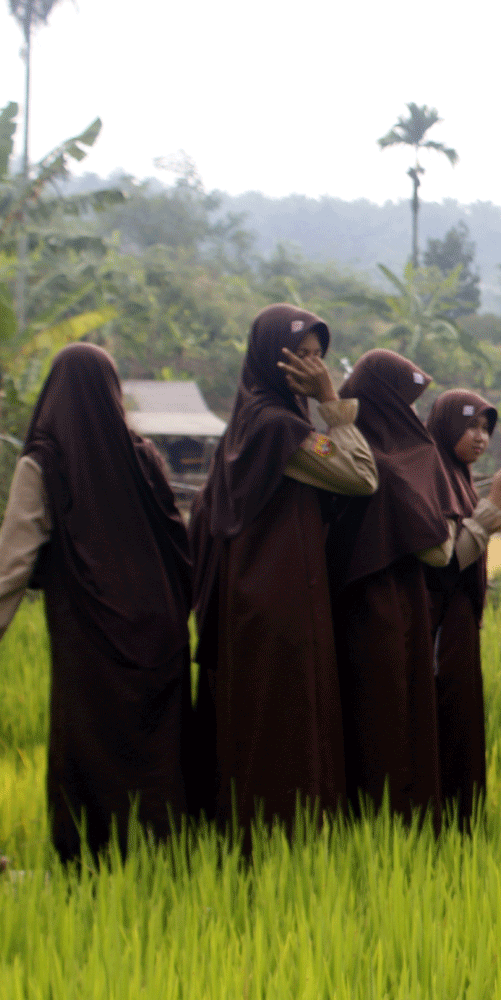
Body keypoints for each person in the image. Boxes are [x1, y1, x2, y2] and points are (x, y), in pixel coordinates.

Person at [186, 304, 378, 830]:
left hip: (262, 593)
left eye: (321, 357)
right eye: (303, 355)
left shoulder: (251, 421)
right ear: (274, 359)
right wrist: (332, 402)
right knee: (283, 709)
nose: (316, 367)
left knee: (266, 708)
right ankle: (277, 831)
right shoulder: (277, 429)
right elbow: (361, 476)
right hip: (278, 597)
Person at [0, 344, 193, 863]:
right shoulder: (144, 455)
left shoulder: (44, 461)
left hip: (92, 636)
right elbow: (180, 545)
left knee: (89, 749)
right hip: (161, 631)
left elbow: (12, 564)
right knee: (155, 753)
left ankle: (90, 864)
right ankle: (160, 859)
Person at [324, 349, 457, 820]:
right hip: (392, 605)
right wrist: (456, 520)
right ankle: (393, 818)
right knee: (392, 712)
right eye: (407, 400)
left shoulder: (341, 444)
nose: (413, 412)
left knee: (353, 712)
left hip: (337, 602)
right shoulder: (405, 459)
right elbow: (438, 551)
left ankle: (356, 817)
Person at [424, 390, 501, 827]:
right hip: (440, 624)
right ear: (446, 426)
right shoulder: (433, 474)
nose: (480, 437)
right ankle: (442, 816)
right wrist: (497, 501)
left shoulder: (458, 476)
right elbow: (450, 559)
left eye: (486, 429)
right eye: (470, 426)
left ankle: (459, 816)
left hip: (458, 623)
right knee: (445, 712)